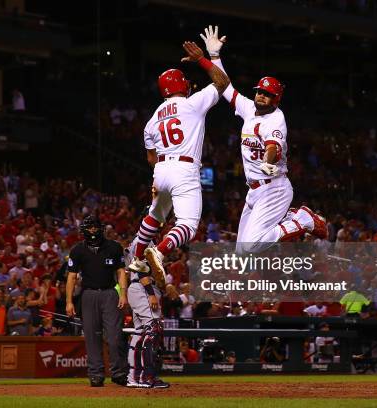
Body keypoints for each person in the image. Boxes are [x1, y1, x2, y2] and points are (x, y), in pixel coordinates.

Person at [199, 26, 327, 253]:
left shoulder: (276, 119)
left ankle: (302, 220)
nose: (261, 95)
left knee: (251, 247)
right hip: (254, 190)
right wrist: (214, 57)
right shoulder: (249, 108)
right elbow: (225, 87)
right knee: (241, 253)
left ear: (276, 99)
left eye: (267, 94)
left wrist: (268, 161)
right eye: (260, 91)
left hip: (274, 188)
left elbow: (273, 146)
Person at [127, 40, 230, 285]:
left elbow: (151, 158)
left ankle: (137, 257)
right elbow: (223, 82)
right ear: (182, 85)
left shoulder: (151, 120)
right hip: (184, 168)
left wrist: (159, 180)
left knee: (155, 215)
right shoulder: (192, 103)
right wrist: (204, 59)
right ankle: (159, 251)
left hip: (161, 170)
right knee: (189, 224)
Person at [65, 216, 129, 387]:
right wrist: (69, 302)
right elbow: (71, 277)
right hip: (88, 295)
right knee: (92, 337)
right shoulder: (77, 250)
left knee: (115, 336)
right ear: (84, 230)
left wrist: (123, 294)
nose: (93, 231)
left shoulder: (114, 247)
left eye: (95, 227)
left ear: (101, 228)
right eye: (90, 228)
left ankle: (119, 373)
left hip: (109, 293)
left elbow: (121, 272)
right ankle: (96, 374)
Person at [125, 241, 170, 388]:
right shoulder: (144, 241)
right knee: (153, 330)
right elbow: (140, 269)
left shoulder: (138, 241)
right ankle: (145, 376)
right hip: (144, 288)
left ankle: (134, 377)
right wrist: (151, 294)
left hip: (138, 287)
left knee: (140, 333)